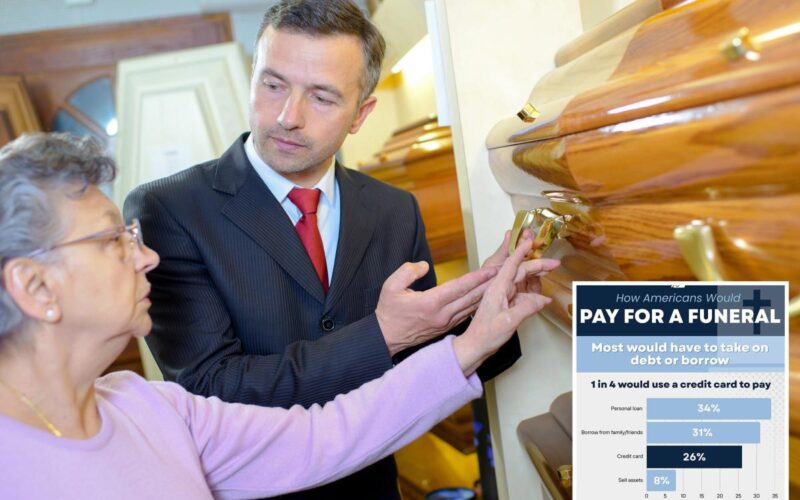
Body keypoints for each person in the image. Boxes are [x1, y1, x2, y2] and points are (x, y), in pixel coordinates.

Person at [124, 1, 559, 497]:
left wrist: (491, 304)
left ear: (360, 114)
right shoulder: (168, 209)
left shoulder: (394, 209)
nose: (288, 116)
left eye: (322, 97)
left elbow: (418, 365)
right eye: (273, 84)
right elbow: (209, 391)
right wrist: (381, 335)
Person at [0, 132, 552, 499]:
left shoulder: (146, 405)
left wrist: (472, 339)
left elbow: (326, 436)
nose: (146, 257)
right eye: (111, 241)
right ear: (34, 284)